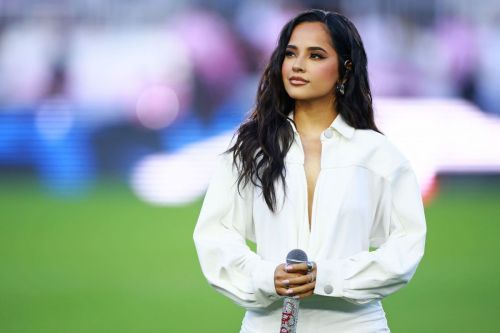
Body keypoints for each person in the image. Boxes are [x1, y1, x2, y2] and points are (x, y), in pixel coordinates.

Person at [193, 9, 426, 333]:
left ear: (345, 70)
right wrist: (265, 276)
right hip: (268, 325)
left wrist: (328, 278)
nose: (298, 65)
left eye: (316, 55)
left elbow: (406, 245)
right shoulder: (251, 149)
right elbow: (214, 235)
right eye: (291, 53)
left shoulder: (379, 155)